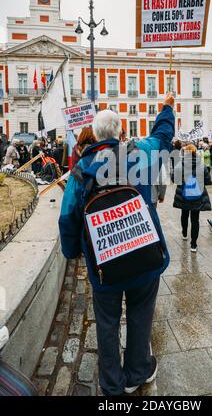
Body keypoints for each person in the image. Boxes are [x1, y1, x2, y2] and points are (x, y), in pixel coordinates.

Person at [59, 93, 175, 396]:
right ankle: (138, 370)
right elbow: (163, 137)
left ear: (95, 136)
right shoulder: (140, 152)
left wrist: (72, 252)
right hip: (145, 254)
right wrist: (166, 107)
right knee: (141, 313)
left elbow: (67, 217)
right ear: (121, 132)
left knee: (107, 322)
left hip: (104, 263)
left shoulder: (81, 171)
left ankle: (112, 383)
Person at [172, 143, 212, 252]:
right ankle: (193, 244)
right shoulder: (201, 165)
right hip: (197, 195)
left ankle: (184, 233)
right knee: (195, 219)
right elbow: (208, 181)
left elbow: (174, 179)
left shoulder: (180, 164)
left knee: (184, 215)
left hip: (183, 195)